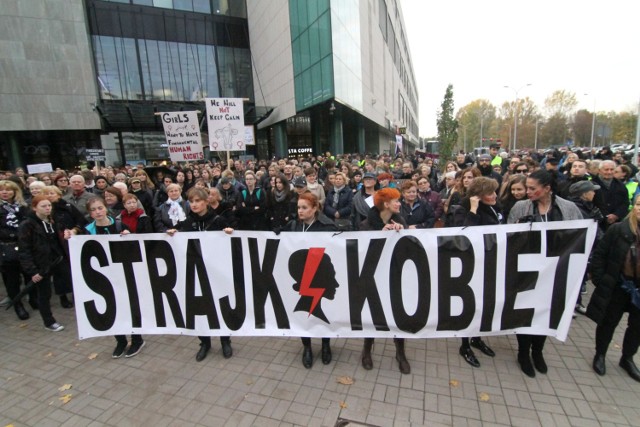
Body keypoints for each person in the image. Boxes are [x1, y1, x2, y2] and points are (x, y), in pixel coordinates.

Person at [508, 170, 582, 377]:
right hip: (527, 270)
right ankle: (523, 353)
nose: (528, 192)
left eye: (533, 188)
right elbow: (508, 237)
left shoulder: (568, 208)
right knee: (525, 312)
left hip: (555, 270)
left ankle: (537, 351)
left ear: (547, 188)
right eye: (527, 188)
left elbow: (578, 237)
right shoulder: (520, 207)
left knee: (547, 312)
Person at [167, 188, 234, 362]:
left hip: (216, 272)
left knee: (220, 305)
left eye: (198, 201)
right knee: (200, 307)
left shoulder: (219, 221)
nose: (194, 204)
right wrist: (173, 234)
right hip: (196, 272)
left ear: (206, 202)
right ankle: (204, 342)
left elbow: (231, 243)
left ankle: (225, 339)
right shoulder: (186, 222)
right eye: (191, 201)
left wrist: (229, 234)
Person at [80, 196, 146, 357]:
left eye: (100, 208)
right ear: (89, 213)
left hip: (123, 274)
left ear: (105, 208)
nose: (97, 212)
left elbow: (133, 249)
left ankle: (137, 339)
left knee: (130, 305)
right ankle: (121, 340)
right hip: (103, 274)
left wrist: (128, 236)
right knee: (111, 306)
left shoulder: (119, 225)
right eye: (93, 210)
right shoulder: (87, 230)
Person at [588, 194, 640, 382]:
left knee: (636, 327)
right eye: (639, 205)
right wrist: (600, 279)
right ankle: (600, 354)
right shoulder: (619, 230)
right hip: (618, 285)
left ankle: (627, 358)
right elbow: (600, 254)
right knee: (608, 322)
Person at [359, 188, 411, 374]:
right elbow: (362, 252)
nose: (400, 203)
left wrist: (401, 233)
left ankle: (400, 352)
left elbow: (407, 249)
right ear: (386, 204)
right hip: (373, 276)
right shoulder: (366, 224)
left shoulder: (400, 220)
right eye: (396, 201)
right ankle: (366, 349)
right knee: (373, 314)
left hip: (395, 274)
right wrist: (380, 234)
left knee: (397, 313)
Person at [284, 192, 339, 368]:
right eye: (298, 207)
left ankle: (325, 345)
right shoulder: (293, 226)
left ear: (315, 208)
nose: (300, 211)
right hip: (303, 279)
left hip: (320, 279)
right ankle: (307, 347)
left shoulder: (327, 226)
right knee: (303, 315)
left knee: (325, 312)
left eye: (304, 208)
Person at [454, 177, 501, 367]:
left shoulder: (492, 207)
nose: (495, 196)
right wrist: (473, 211)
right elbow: (464, 236)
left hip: (489, 261)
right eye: (490, 193)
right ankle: (465, 345)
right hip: (470, 265)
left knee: (485, 302)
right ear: (478, 196)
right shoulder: (462, 209)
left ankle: (477, 338)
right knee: (469, 305)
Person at [18, 195, 67, 332]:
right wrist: (32, 271)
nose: (47, 208)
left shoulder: (51, 221)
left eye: (49, 206)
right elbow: (24, 250)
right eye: (43, 206)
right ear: (34, 208)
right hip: (41, 265)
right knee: (44, 294)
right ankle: (48, 321)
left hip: (57, 260)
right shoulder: (27, 225)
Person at [41, 185, 87, 308]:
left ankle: (76, 293)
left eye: (52, 193)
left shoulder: (67, 207)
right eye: (46, 193)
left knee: (74, 269)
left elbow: (80, 220)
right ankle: (63, 296)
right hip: (54, 245)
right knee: (59, 272)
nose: (49, 196)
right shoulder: (43, 211)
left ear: (59, 195)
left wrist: (75, 230)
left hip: (71, 242)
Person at [0, 180, 33, 320]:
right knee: (12, 279)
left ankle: (33, 298)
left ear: (15, 191)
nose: (5, 192)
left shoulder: (23, 207)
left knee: (28, 275)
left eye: (8, 190)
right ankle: (17, 304)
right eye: (2, 190)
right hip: (6, 246)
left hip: (24, 246)